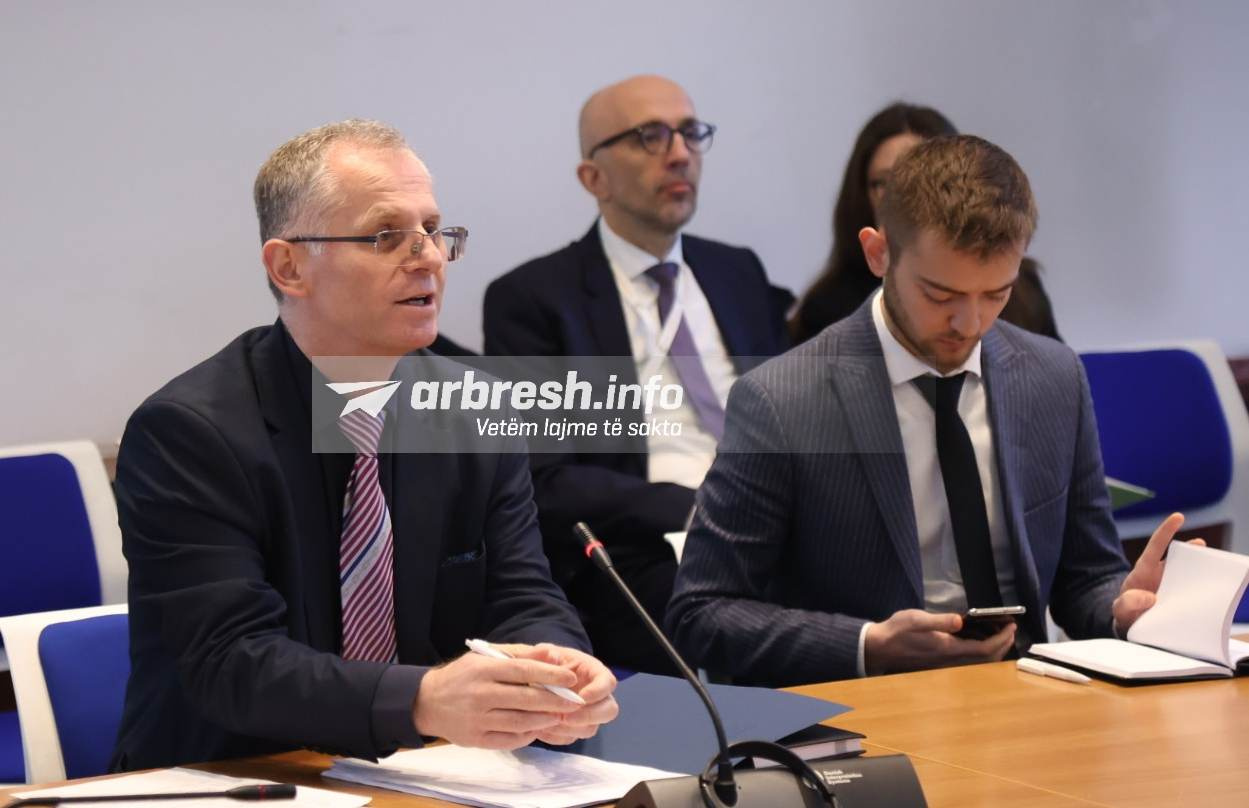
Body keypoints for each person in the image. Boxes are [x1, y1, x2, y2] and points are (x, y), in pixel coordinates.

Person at [111, 119, 617, 770]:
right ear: (289, 267)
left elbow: (521, 594)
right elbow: (231, 662)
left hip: (430, 775)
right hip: (240, 778)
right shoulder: (189, 434)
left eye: (433, 231)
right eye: (386, 236)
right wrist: (423, 700)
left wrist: (556, 663)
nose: (428, 257)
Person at [667, 134, 1196, 686]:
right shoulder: (783, 398)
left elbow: (1085, 579)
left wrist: (1121, 607)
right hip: (871, 705)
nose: (970, 324)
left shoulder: (1052, 377)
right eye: (940, 296)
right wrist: (869, 646)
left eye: (996, 294)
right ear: (878, 253)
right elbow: (700, 613)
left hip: (1027, 692)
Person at [482, 76, 791, 674]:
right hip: (651, 544)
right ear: (592, 178)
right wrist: (702, 507)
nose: (679, 154)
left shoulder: (736, 273)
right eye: (650, 136)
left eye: (690, 133)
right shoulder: (535, 298)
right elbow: (546, 478)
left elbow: (793, 419)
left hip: (775, 521)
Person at [789, 102, 1061, 344]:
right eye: (885, 182)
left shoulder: (1023, 290)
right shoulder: (829, 307)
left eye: (993, 295)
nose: (968, 327)